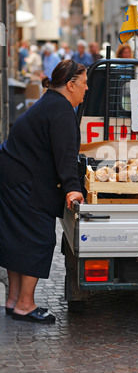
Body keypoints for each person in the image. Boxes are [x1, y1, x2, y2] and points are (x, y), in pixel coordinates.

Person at [0, 60, 86, 324]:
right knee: (37, 240)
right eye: (84, 84)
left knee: (18, 239)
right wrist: (72, 188)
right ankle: (25, 305)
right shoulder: (61, 110)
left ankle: (14, 300)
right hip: (25, 181)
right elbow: (65, 156)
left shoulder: (50, 102)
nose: (86, 89)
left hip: (13, 176)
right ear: (70, 85)